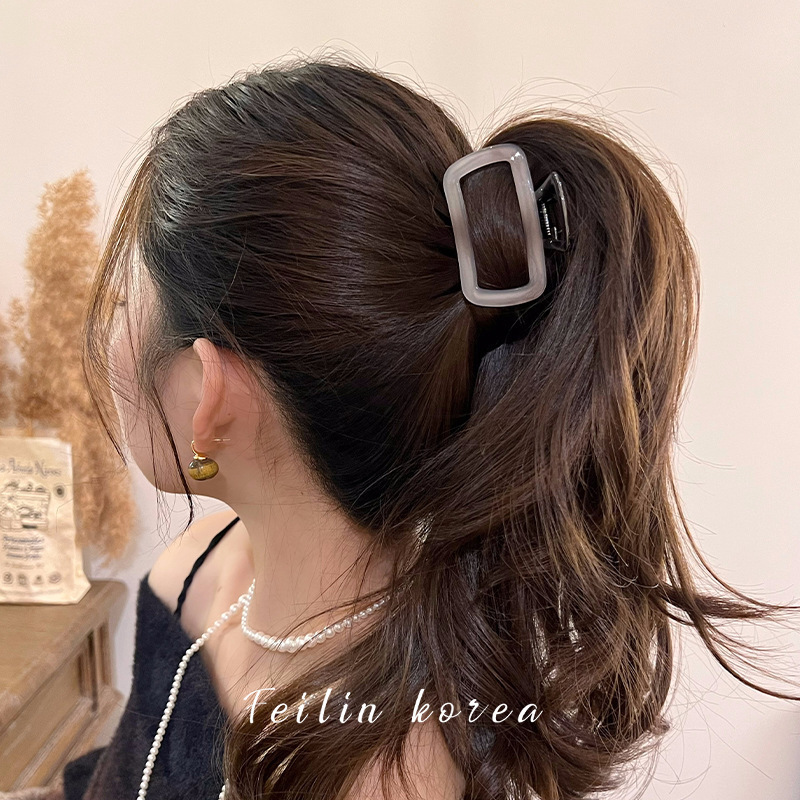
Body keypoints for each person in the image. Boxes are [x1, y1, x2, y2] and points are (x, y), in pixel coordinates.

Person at [58, 53, 797, 800]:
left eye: (123, 306)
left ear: (208, 395)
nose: (109, 335)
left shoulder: (386, 774)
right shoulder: (194, 572)